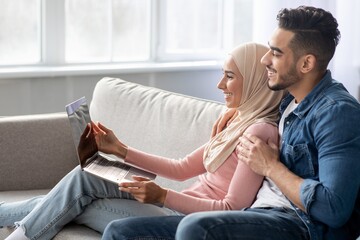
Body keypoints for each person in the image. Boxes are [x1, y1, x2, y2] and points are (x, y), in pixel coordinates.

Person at [101, 5, 360, 240]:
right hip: (257, 214)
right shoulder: (289, 102)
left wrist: (271, 167)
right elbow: (259, 102)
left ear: (306, 63)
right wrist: (238, 112)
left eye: (276, 53)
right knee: (120, 232)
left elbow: (334, 209)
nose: (265, 59)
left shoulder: (337, 113)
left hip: (299, 224)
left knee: (195, 228)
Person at [0, 42, 285, 240]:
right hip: (174, 204)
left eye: (230, 76)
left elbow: (231, 208)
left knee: (74, 200)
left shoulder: (258, 133)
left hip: (180, 219)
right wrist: (120, 149)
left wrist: (162, 195)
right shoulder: (237, 121)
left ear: (255, 82)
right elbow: (181, 167)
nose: (220, 84)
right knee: (78, 183)